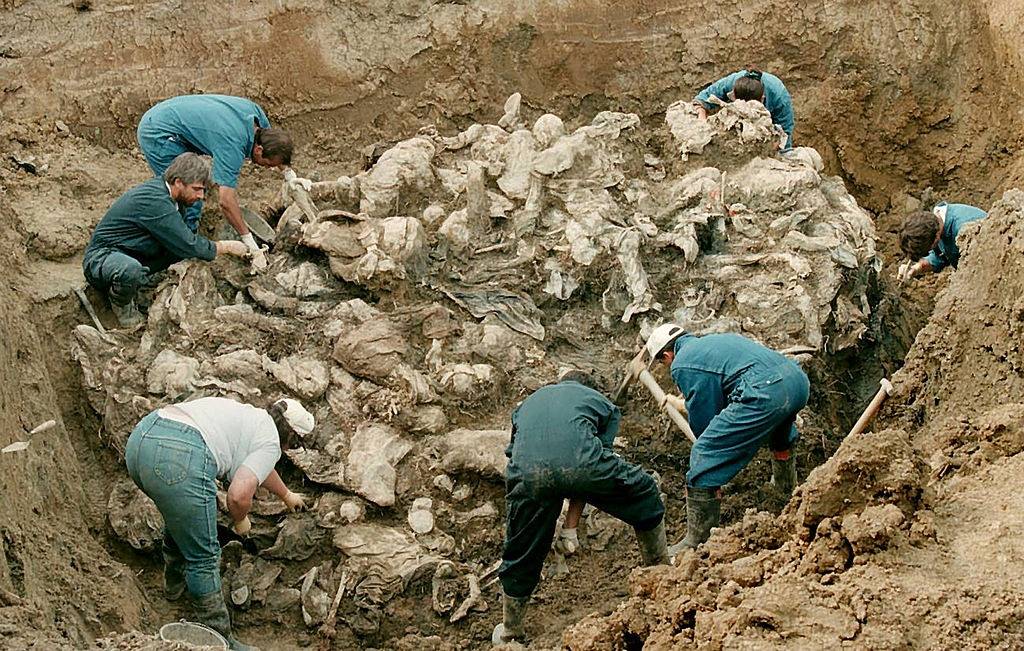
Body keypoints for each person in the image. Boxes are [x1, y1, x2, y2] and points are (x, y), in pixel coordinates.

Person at [124, 396, 314, 651]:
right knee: (203, 556)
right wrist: (241, 520)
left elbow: (259, 466)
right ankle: (220, 638)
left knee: (183, 518)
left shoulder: (252, 418)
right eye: (295, 444)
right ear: (291, 436)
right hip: (178, 457)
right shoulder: (270, 442)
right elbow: (237, 496)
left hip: (142, 440)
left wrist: (286, 495)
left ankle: (174, 586)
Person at [493, 371, 668, 646]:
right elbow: (589, 463)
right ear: (590, 387)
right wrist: (571, 525)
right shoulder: (603, 404)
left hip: (528, 474)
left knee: (521, 547)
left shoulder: (527, 404)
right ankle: (661, 578)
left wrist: (568, 526)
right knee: (644, 491)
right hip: (582, 466)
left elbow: (520, 452)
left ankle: (510, 631)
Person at [644, 324, 808, 554]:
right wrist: (682, 404)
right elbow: (726, 387)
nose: (667, 365)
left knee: (704, 453)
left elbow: (706, 417)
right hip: (796, 381)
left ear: (667, 355)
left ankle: (697, 541)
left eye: (662, 362)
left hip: (764, 393)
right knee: (780, 433)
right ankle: (786, 490)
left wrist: (711, 449)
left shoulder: (682, 364)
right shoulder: (715, 342)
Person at [136, 94, 313, 269]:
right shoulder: (232, 144)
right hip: (158, 132)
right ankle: (184, 249)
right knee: (189, 196)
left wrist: (290, 176)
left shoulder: (258, 119)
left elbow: (276, 150)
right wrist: (249, 242)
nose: (269, 168)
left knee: (198, 184)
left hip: (171, 114)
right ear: (258, 150)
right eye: (268, 164)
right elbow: (226, 201)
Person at [82, 153, 252, 327]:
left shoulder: (174, 199)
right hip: (103, 258)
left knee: (176, 252)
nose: (201, 196)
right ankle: (122, 305)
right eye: (196, 189)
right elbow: (189, 244)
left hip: (132, 252)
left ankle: (142, 284)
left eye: (203, 190)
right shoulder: (156, 202)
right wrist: (226, 246)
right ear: (178, 182)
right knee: (132, 270)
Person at [694, 68, 795, 149]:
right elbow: (701, 99)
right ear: (732, 95)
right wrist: (701, 121)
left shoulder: (779, 96)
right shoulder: (730, 83)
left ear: (762, 99)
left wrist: (767, 148)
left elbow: (785, 133)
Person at [897, 201, 987, 281]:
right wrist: (917, 268)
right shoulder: (935, 224)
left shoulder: (965, 230)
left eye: (929, 249)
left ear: (936, 238)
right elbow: (939, 256)